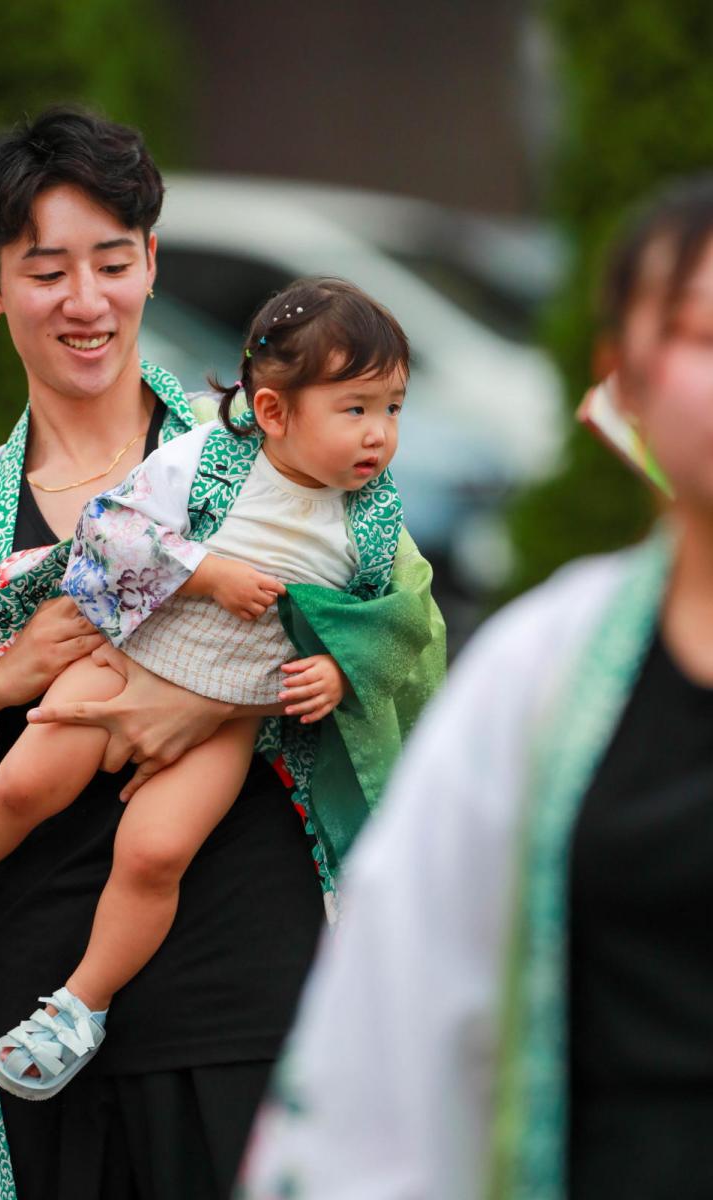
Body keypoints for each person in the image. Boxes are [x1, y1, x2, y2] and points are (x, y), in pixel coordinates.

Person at [0, 107, 444, 1199]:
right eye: (45, 269)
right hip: (33, 979)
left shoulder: (283, 453)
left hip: (244, 966)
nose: (85, 300)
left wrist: (219, 700)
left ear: (150, 262)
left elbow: (408, 646)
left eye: (112, 261)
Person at [238, 173, 713, 1200]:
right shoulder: (540, 675)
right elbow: (392, 1029)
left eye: (389, 408)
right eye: (702, 336)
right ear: (618, 380)